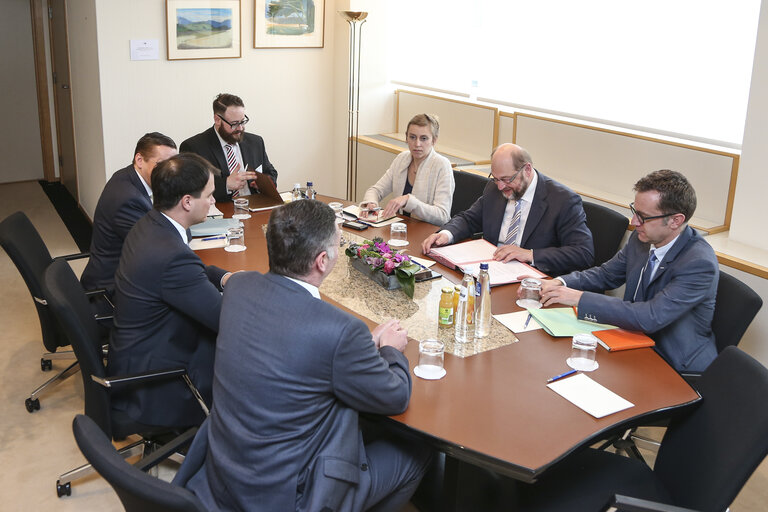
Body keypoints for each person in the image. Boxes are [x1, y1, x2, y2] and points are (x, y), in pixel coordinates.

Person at [182, 200, 432, 511]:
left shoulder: (240, 288)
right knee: (417, 451)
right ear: (322, 261)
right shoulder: (339, 329)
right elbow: (394, 396)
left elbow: (294, 345)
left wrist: (364, 344)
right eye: (338, 242)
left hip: (223, 474)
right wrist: (392, 352)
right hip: (290, 496)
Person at [536, 169, 718, 372]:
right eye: (634, 211)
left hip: (672, 364)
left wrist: (578, 298)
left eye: (643, 217)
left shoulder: (699, 264)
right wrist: (561, 283)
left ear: (675, 220)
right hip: (629, 340)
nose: (634, 223)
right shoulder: (642, 238)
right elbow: (606, 275)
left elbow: (650, 317)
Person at [107, 153, 237, 428]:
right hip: (159, 378)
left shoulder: (152, 223)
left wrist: (224, 277)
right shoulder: (169, 254)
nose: (214, 202)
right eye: (210, 195)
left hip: (139, 349)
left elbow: (188, 273)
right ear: (187, 201)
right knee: (248, 356)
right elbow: (224, 319)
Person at [421, 142, 594, 276]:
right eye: (495, 179)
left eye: (506, 179)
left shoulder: (562, 200)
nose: (501, 186)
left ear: (527, 169)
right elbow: (469, 218)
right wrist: (445, 234)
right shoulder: (494, 188)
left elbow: (583, 253)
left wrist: (530, 254)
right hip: (490, 271)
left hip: (532, 280)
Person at [81, 132, 177, 295]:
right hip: (113, 288)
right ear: (139, 160)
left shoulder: (128, 177)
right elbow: (157, 247)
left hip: (129, 271)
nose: (169, 173)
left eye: (173, 166)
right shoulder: (127, 199)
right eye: (161, 165)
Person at [180, 92, 278, 202]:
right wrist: (226, 184)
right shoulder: (194, 147)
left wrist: (263, 184)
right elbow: (190, 188)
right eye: (234, 123)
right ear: (217, 120)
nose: (240, 128)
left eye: (243, 122)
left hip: (255, 206)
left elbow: (271, 173)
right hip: (220, 210)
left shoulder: (255, 142)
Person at [359, 113, 455, 225]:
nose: (417, 144)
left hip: (427, 233)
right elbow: (375, 190)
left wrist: (409, 201)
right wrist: (371, 203)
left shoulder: (442, 165)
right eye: (412, 137)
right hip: (401, 228)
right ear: (406, 138)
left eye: (423, 138)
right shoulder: (402, 159)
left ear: (434, 140)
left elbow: (442, 216)